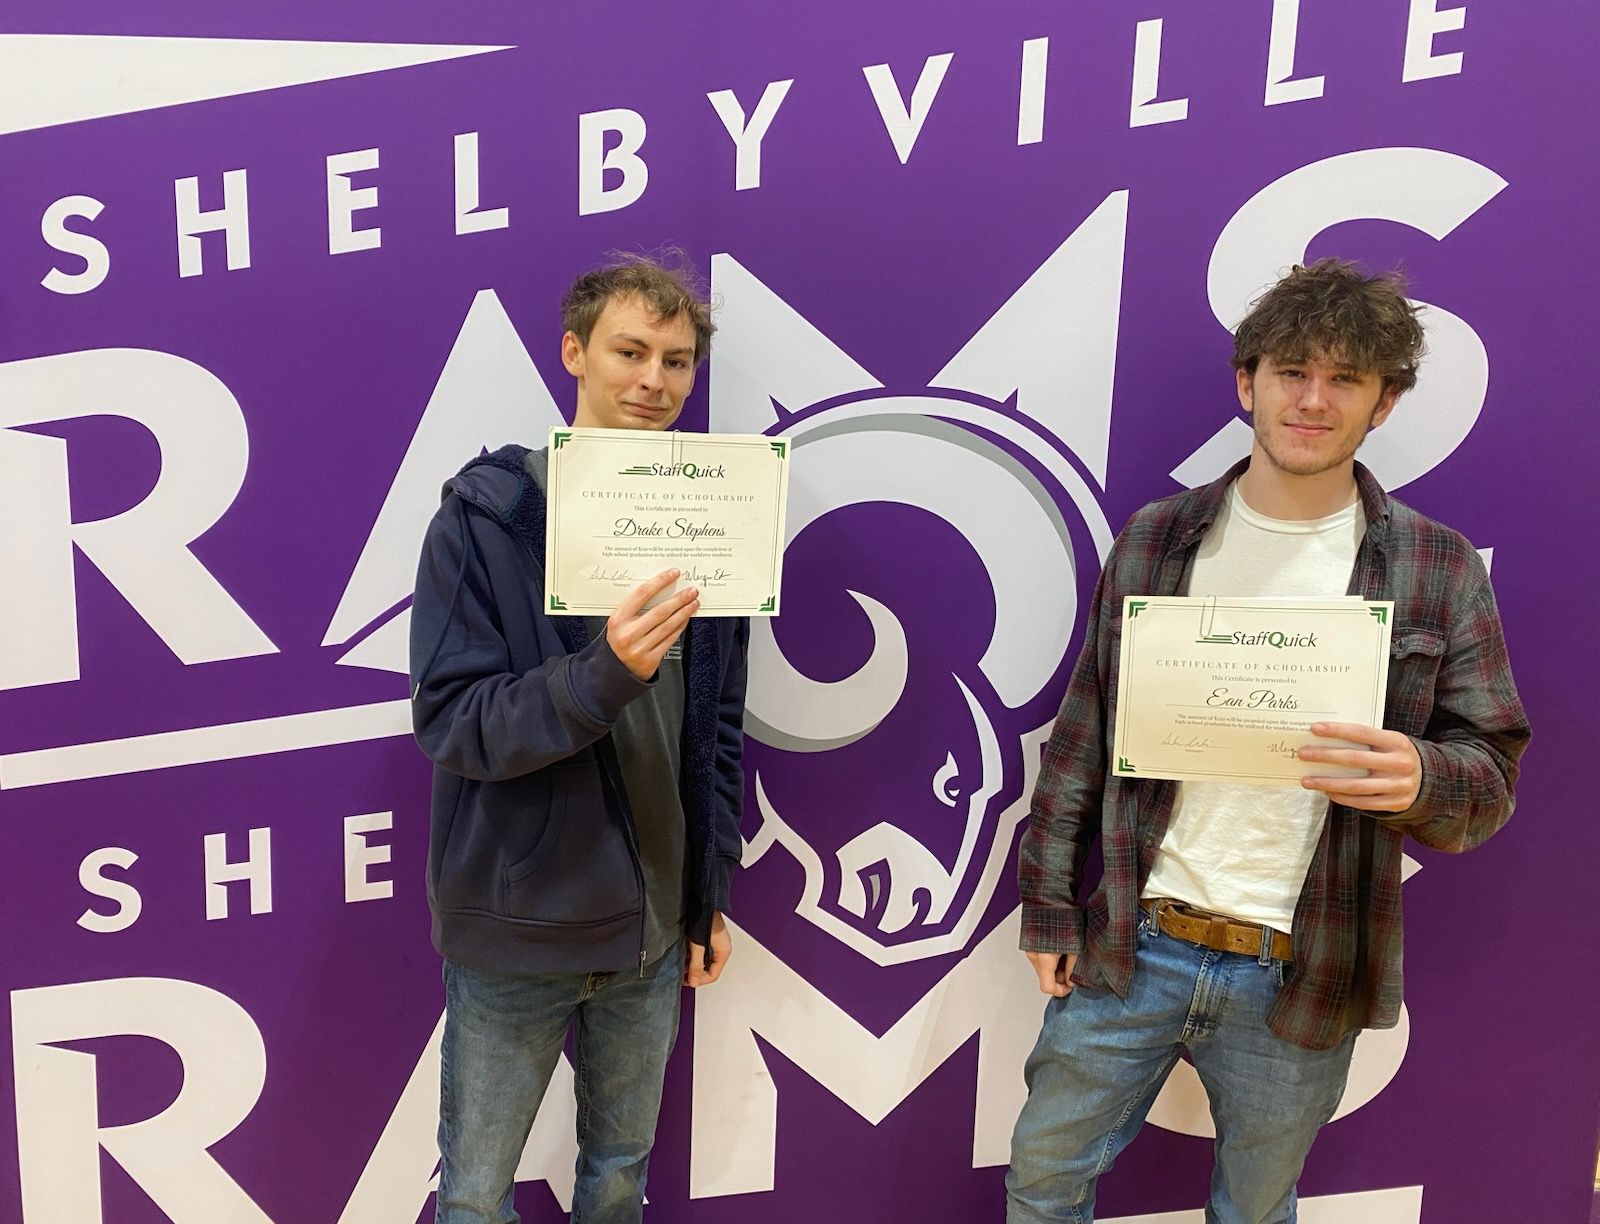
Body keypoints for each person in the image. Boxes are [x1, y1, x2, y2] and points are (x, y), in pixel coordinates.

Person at [1006, 259, 1530, 1224]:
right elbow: (1084, 737)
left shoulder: (1434, 565)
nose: (1314, 400)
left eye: (1348, 380)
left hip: (1307, 961)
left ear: (1386, 403)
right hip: (1137, 936)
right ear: (1248, 383)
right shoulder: (1159, 540)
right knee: (1042, 1179)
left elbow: (1489, 775)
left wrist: (1419, 775)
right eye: (1292, 371)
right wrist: (1047, 903)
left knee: (1255, 1211)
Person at [408, 253, 748, 1224]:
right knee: (475, 1199)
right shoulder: (485, 517)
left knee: (618, 1182)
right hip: (516, 935)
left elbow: (717, 732)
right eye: (630, 352)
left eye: (676, 361)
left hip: (649, 938)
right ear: (574, 353)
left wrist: (704, 894)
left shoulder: (713, 518)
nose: (653, 380)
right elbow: (456, 722)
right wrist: (605, 672)